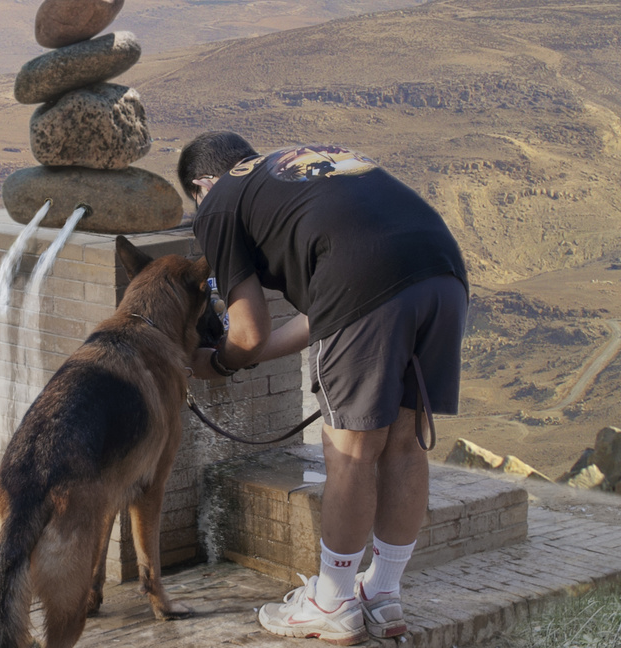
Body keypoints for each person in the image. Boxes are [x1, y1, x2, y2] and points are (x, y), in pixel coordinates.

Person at [177, 132, 468, 645]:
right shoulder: (299, 168)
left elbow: (247, 332)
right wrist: (252, 356)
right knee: (403, 441)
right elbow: (327, 315)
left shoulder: (217, 202)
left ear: (202, 185)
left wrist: (217, 363)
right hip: (442, 272)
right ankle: (382, 594)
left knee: (352, 454)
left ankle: (331, 602)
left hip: (367, 283)